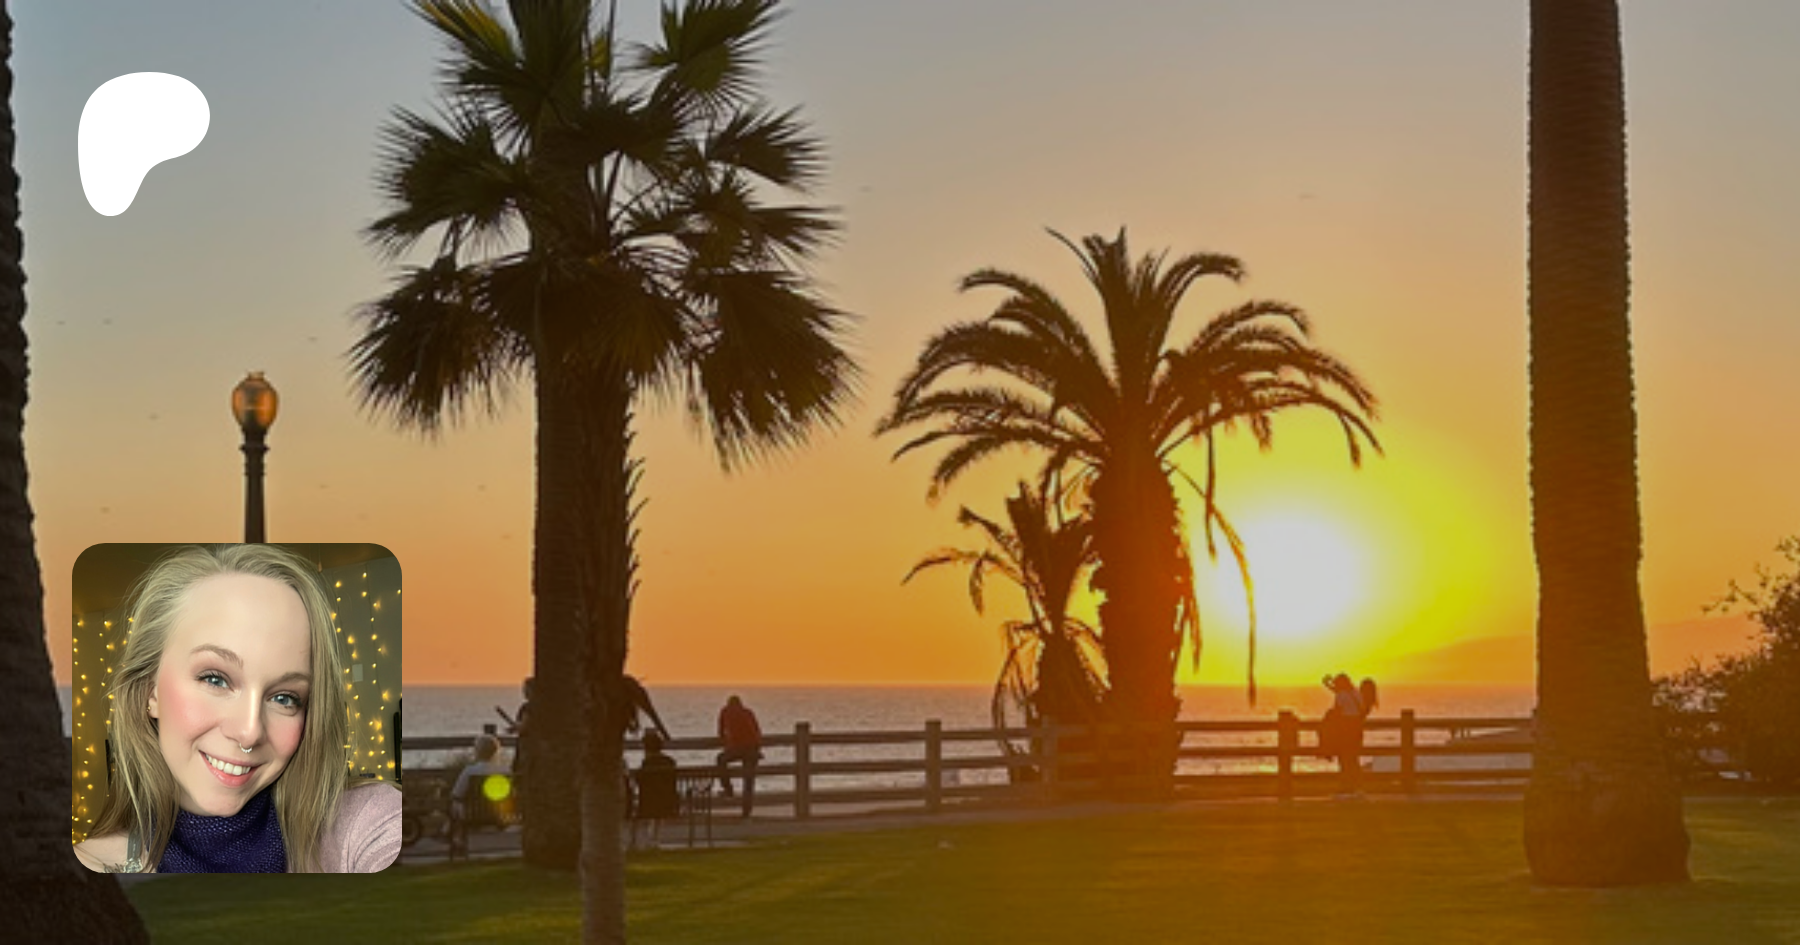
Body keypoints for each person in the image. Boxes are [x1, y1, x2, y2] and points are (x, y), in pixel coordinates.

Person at [71, 544, 402, 873]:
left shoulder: (365, 822)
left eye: (284, 698)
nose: (249, 732)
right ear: (150, 691)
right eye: (215, 679)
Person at [630, 730, 680, 849]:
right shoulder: (669, 762)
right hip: (668, 801)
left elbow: (640, 782)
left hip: (648, 802)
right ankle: (654, 839)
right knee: (656, 810)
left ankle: (637, 842)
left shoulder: (647, 763)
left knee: (641, 812)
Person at [715, 694, 763, 817]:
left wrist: (727, 743)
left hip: (737, 749)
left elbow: (720, 732)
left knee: (721, 760)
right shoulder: (748, 712)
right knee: (748, 782)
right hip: (752, 749)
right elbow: (757, 731)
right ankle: (746, 812)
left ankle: (728, 789)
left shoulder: (725, 712)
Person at [449, 733, 513, 825]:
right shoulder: (506, 771)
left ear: (477, 752)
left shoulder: (470, 771)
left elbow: (456, 794)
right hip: (500, 814)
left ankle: (450, 830)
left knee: (455, 802)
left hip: (474, 816)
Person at [1320, 673, 1366, 798]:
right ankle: (1358, 787)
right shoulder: (1356, 693)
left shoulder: (1341, 695)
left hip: (1345, 728)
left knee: (1344, 759)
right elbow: (1361, 708)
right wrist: (1328, 685)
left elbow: (1338, 710)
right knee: (1354, 759)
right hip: (1357, 728)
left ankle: (1346, 787)